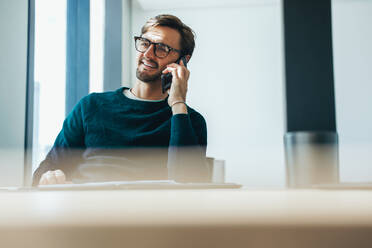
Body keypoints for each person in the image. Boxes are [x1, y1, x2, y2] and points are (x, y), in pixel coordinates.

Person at [32, 14, 208, 186]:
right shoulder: (91, 106)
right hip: (89, 210)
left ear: (183, 61)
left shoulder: (189, 121)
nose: (148, 54)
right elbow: (43, 173)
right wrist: (48, 178)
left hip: (152, 213)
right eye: (145, 43)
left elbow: (189, 186)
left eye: (161, 48)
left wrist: (178, 103)